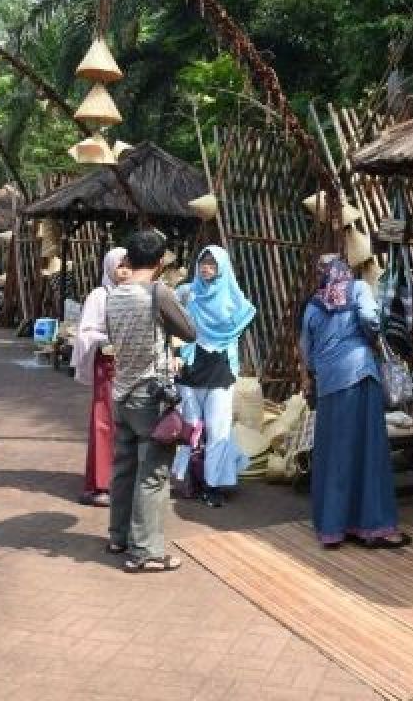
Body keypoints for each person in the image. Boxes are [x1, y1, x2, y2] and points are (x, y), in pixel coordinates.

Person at [299, 254, 409, 550]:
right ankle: (374, 526)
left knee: (334, 452)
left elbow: (305, 350)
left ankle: (333, 528)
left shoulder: (313, 303)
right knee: (368, 450)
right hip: (359, 376)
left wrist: (313, 374)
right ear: (344, 270)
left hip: (328, 383)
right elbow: (371, 320)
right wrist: (373, 340)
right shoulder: (358, 288)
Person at [105, 231, 195, 572]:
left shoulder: (114, 295)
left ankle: (118, 536)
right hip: (150, 393)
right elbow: (190, 331)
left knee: (124, 467)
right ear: (160, 262)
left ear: (129, 258)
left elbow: (115, 339)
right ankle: (146, 551)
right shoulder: (158, 292)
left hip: (122, 391)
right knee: (153, 473)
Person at [172, 246, 257, 508]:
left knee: (219, 429)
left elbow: (244, 315)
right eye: (202, 263)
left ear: (223, 267)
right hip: (190, 368)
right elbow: (171, 322)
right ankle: (186, 478)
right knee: (190, 428)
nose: (206, 268)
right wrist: (174, 352)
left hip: (220, 370)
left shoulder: (234, 299)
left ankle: (213, 484)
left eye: (212, 264)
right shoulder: (187, 293)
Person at [70, 247, 130, 507]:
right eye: (120, 266)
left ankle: (123, 479)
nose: (125, 271)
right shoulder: (99, 296)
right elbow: (85, 332)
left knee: (128, 424)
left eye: (129, 265)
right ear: (109, 268)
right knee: (104, 421)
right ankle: (101, 483)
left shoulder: (136, 293)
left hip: (131, 364)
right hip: (107, 365)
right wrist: (104, 340)